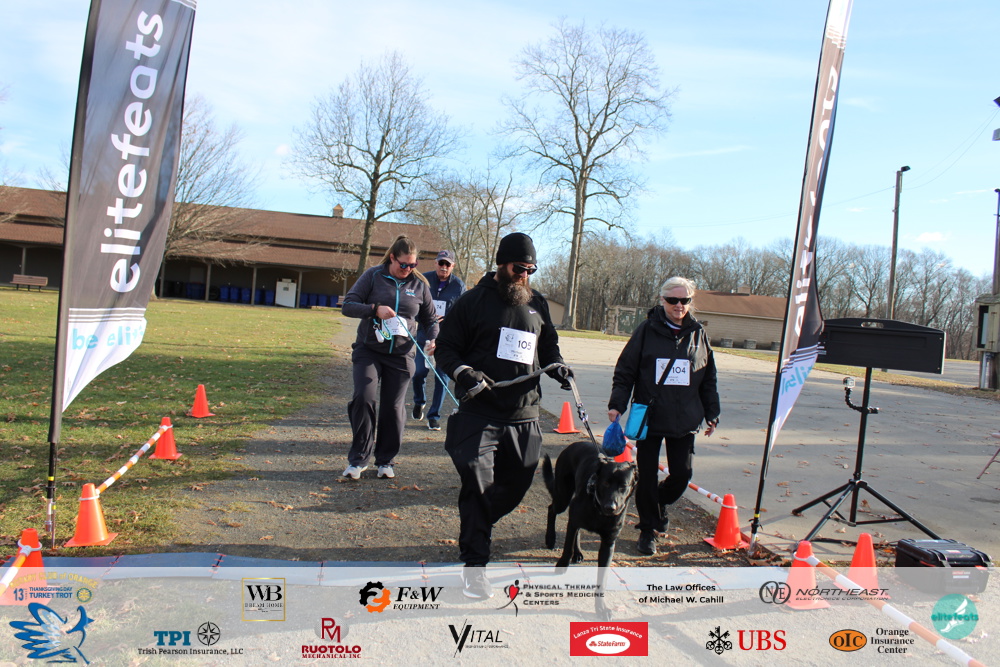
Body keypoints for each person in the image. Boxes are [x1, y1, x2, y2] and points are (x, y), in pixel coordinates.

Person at [435, 232, 572, 599]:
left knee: (515, 488)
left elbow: (549, 346)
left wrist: (558, 367)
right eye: (519, 268)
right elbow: (446, 348)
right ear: (501, 264)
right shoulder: (471, 302)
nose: (524, 275)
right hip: (480, 413)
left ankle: (475, 523)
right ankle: (475, 564)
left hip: (524, 413)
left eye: (530, 269)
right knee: (478, 486)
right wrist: (464, 372)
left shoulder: (537, 304)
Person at [607, 276, 720, 556]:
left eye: (685, 300)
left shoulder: (698, 333)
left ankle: (658, 503)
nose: (679, 305)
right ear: (662, 300)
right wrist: (617, 404)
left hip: (685, 417)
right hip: (651, 415)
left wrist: (712, 412)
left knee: (682, 474)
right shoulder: (646, 330)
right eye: (673, 300)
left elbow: (708, 377)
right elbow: (626, 370)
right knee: (646, 476)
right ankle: (647, 529)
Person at [340, 235, 439, 481]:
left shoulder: (419, 285)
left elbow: (430, 319)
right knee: (363, 397)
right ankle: (358, 459)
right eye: (403, 264)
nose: (408, 269)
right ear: (392, 258)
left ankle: (385, 460)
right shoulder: (373, 276)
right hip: (369, 350)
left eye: (413, 265)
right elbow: (348, 305)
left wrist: (433, 339)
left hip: (402, 355)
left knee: (393, 408)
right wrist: (375, 309)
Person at [411, 250, 466, 431]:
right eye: (441, 263)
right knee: (418, 372)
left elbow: (462, 313)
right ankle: (419, 401)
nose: (443, 267)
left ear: (453, 266)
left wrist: (447, 320)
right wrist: (423, 317)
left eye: (447, 264)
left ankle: (434, 416)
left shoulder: (459, 286)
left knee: (442, 378)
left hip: (445, 340)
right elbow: (413, 303)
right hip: (424, 335)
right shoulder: (423, 280)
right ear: (435, 263)